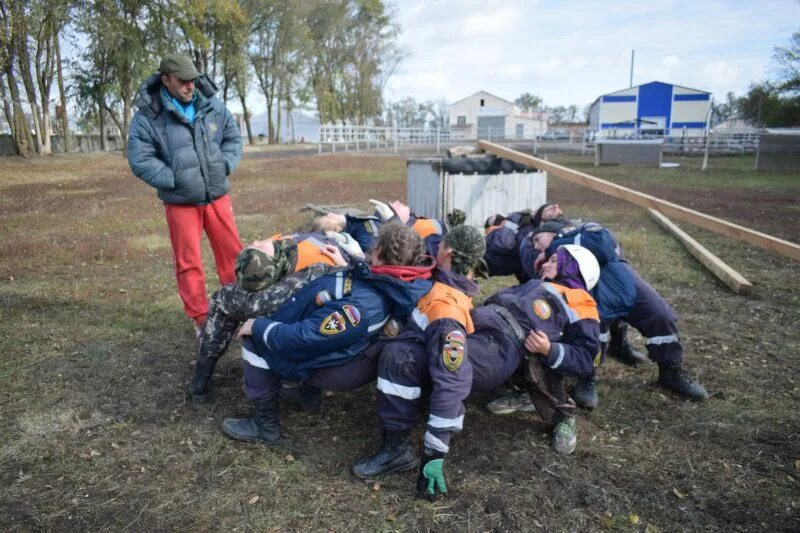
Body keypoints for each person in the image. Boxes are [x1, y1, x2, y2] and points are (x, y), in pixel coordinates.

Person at [221, 223, 434, 445]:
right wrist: (353, 264)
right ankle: (307, 397)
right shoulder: (393, 280)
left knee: (254, 340)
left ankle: (265, 426)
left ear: (379, 253)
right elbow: (369, 282)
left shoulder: (361, 308)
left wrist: (258, 327)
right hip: (347, 347)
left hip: (338, 365)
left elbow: (306, 338)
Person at [351, 225, 486, 501]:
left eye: (440, 244)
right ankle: (418, 404)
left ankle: (397, 448)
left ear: (447, 251)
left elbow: (452, 380)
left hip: (423, 361)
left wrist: (434, 453)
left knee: (398, 356)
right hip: (429, 351)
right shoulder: (447, 279)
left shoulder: (445, 309)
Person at [525, 219, 709, 405]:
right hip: (584, 287)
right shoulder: (542, 256)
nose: (537, 245)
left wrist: (555, 247)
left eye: (539, 240)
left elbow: (603, 246)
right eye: (535, 244)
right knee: (595, 326)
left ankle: (671, 371)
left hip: (620, 276)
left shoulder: (571, 232)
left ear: (551, 232)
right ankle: (587, 376)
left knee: (660, 315)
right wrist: (551, 254)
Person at [128, 53, 243, 331]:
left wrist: (223, 164)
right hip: (180, 203)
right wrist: (173, 179)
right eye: (182, 81)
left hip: (217, 195)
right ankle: (202, 321)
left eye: (192, 80)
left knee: (233, 256)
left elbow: (232, 136)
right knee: (188, 262)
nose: (190, 86)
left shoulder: (212, 104)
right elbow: (140, 159)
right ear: (166, 80)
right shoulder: (148, 116)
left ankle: (240, 308)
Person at [468, 244, 602, 455]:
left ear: (573, 267)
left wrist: (550, 349)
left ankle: (563, 416)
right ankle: (526, 394)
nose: (546, 263)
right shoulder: (536, 284)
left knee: (454, 365)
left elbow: (586, 358)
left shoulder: (583, 305)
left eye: (555, 260)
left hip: (509, 345)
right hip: (485, 324)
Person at [188, 233, 350, 403]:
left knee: (225, 301)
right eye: (256, 246)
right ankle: (308, 393)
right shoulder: (287, 245)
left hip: (320, 324)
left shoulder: (309, 271)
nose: (256, 241)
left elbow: (276, 299)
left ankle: (202, 379)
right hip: (331, 317)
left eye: (257, 247)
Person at [483, 203, 563, 282]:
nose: (555, 206)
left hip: (513, 269)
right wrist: (513, 219)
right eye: (549, 207)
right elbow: (502, 244)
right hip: (486, 260)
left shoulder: (521, 225)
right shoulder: (519, 225)